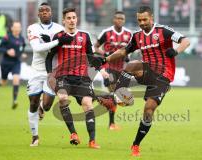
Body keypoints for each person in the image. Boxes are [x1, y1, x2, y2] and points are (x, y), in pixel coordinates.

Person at [94, 6, 190, 156]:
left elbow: (185, 41)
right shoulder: (137, 36)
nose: (142, 22)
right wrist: (105, 59)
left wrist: (176, 50)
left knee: (148, 109)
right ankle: (115, 99)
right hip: (147, 71)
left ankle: (136, 145)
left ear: (151, 18)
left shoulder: (163, 31)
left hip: (163, 76)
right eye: (139, 20)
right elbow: (123, 51)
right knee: (132, 65)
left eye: (145, 19)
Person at [45, 7, 100, 149]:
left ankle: (92, 140)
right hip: (63, 77)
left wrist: (91, 76)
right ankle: (73, 133)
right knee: (63, 99)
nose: (72, 20)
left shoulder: (85, 36)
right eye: (68, 18)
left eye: (74, 18)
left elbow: (92, 58)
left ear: (77, 19)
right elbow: (50, 57)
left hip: (82, 78)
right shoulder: (58, 36)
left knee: (88, 104)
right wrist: (50, 74)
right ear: (64, 20)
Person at [26, 2, 72, 147]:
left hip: (52, 71)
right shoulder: (32, 28)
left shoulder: (59, 28)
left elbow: (64, 47)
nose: (45, 12)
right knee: (32, 103)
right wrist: (57, 41)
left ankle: (42, 107)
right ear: (38, 14)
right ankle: (35, 136)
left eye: (47, 10)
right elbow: (37, 48)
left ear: (51, 13)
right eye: (42, 11)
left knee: (46, 105)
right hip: (36, 70)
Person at [94, 11, 132, 130]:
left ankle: (95, 97)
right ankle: (111, 124)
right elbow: (95, 47)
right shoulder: (106, 33)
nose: (120, 20)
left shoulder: (129, 34)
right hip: (109, 68)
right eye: (118, 18)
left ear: (124, 21)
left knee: (121, 98)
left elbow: (132, 48)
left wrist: (127, 55)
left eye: (122, 19)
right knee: (114, 93)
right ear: (113, 20)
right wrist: (105, 53)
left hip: (122, 68)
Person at [0, 21, 26, 109]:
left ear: (20, 29)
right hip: (6, 63)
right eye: (15, 27)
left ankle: (14, 101)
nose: (17, 29)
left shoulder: (22, 39)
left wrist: (21, 53)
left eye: (19, 27)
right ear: (12, 28)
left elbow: (22, 48)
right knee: (3, 82)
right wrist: (7, 51)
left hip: (16, 62)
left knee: (16, 79)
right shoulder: (7, 37)